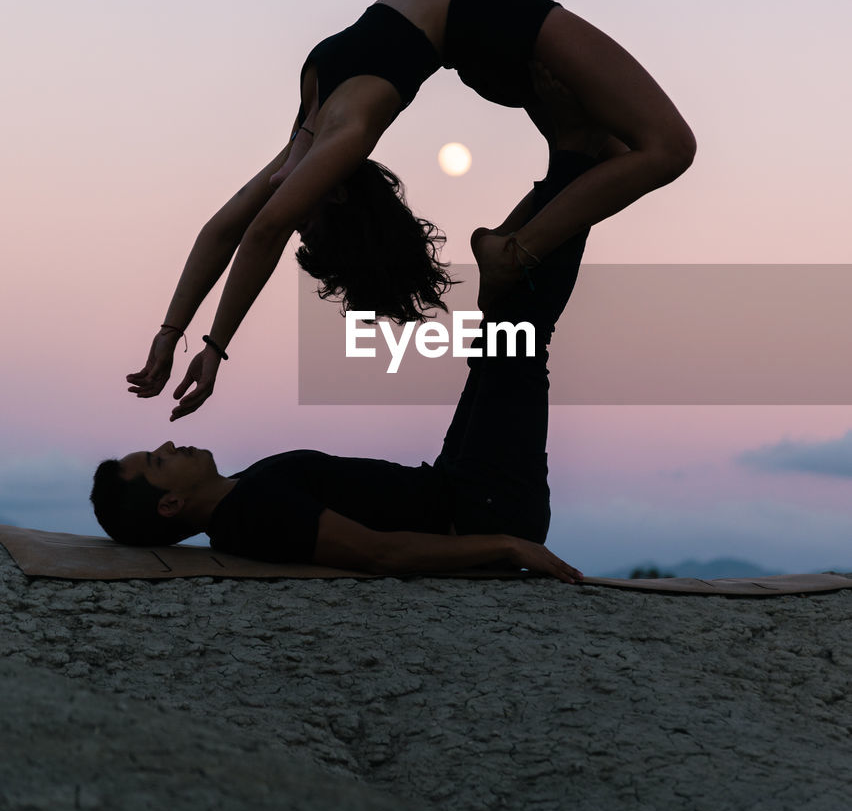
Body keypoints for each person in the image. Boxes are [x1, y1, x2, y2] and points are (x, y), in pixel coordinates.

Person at [127, 0, 695, 420]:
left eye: (305, 224)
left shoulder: (331, 137)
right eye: (308, 223)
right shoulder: (327, 132)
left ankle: (511, 245)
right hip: (483, 33)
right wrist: (175, 333)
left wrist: (205, 343)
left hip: (485, 25)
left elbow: (247, 230)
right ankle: (514, 246)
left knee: (639, 153)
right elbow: (238, 230)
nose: (296, 218)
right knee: (642, 153)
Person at [97, 153, 608, 582]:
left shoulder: (240, 498)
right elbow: (382, 555)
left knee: (503, 332)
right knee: (518, 338)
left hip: (459, 486)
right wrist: (508, 547)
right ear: (170, 506)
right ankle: (581, 162)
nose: (167, 445)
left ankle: (571, 169)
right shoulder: (254, 513)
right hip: (481, 510)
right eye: (158, 461)